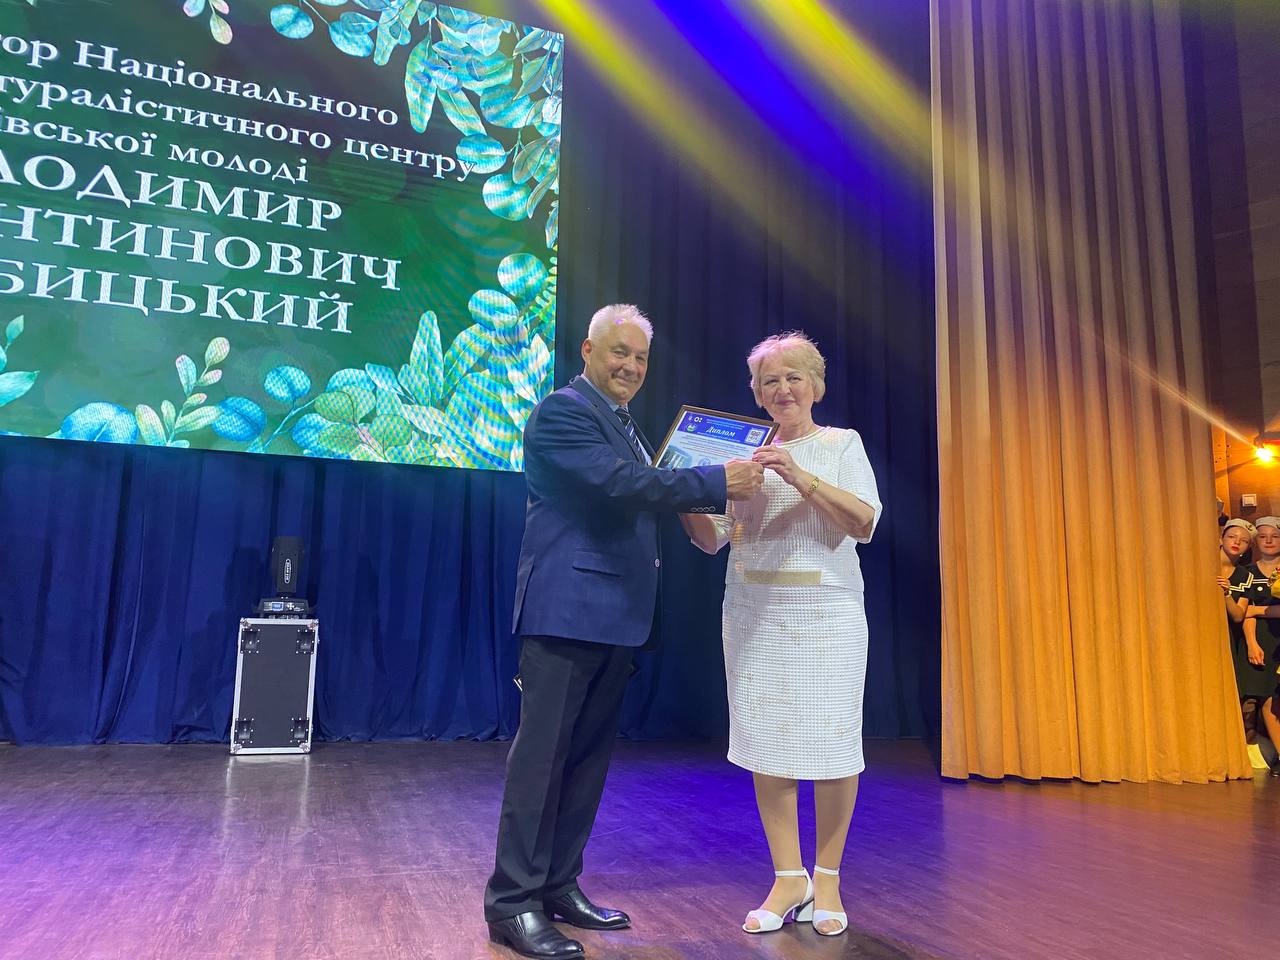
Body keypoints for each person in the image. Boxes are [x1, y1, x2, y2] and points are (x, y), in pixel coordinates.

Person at [483, 304, 766, 960]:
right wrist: (715, 478)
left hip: (614, 616)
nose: (631, 367)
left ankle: (558, 884)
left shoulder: (624, 423)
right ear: (587, 350)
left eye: (640, 358)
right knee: (542, 762)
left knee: (585, 762)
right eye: (619, 352)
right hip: (568, 610)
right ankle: (513, 904)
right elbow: (619, 484)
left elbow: (642, 483)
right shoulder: (563, 412)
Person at [683, 331, 881, 938]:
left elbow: (864, 523)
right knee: (767, 745)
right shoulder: (740, 457)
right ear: (756, 392)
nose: (783, 388)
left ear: (815, 385)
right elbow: (709, 539)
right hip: (754, 615)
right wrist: (687, 487)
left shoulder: (841, 443)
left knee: (833, 746)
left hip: (827, 618)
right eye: (770, 380)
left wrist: (798, 474)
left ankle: (828, 878)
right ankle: (788, 876)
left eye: (794, 376)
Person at [1230, 517, 1280, 776]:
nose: (1269, 540)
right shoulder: (1247, 573)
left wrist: (1257, 610)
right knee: (1259, 696)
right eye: (1263, 536)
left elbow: (1251, 609)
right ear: (1255, 542)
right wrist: (1251, 643)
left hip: (1278, 641)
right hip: (1259, 641)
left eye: (1275, 535)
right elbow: (1242, 612)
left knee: (1275, 698)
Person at [1219, 519, 1269, 770]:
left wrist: (1227, 593)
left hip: (1229, 636)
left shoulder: (1244, 575)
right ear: (1221, 538)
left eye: (1244, 541)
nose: (1237, 543)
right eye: (1232, 537)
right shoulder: (1203, 563)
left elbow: (1239, 615)